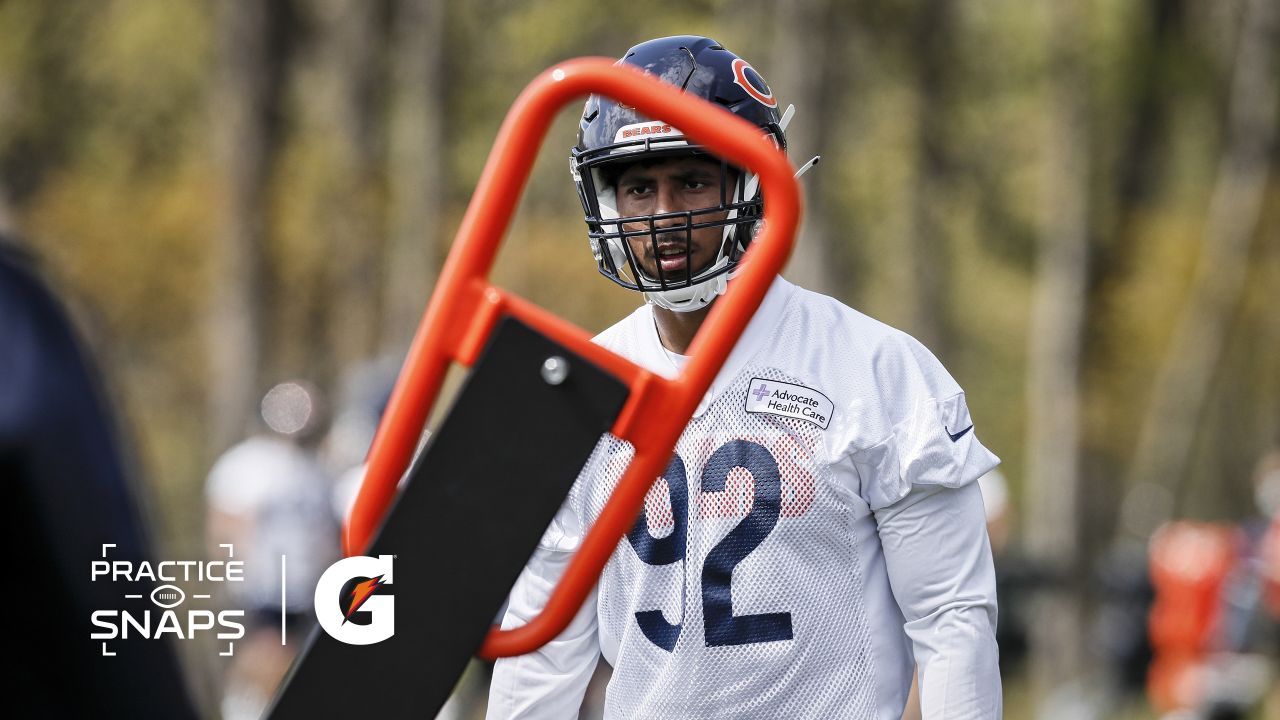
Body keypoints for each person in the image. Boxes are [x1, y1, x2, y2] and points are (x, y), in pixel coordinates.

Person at [487, 36, 1001, 719]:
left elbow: (952, 622)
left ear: (753, 182)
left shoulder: (875, 371)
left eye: (692, 180)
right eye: (639, 187)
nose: (664, 215)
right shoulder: (579, 391)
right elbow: (542, 657)